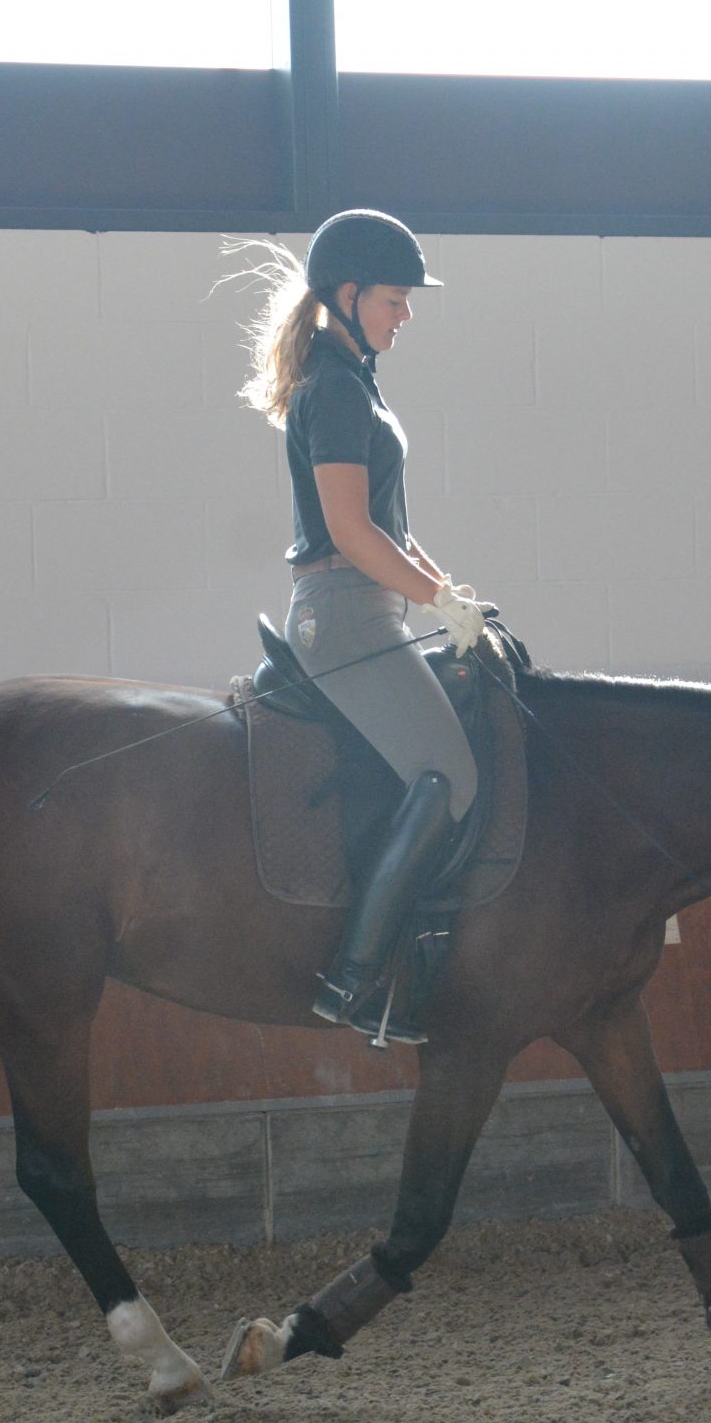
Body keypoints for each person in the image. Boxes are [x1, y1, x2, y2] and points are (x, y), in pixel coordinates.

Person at [238, 209, 494, 1046]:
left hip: (369, 606)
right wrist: (437, 603)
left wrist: (447, 592)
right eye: (394, 298)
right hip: (345, 614)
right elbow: (351, 533)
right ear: (347, 295)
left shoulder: (356, 380)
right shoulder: (338, 389)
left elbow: (388, 527)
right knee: (451, 775)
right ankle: (357, 980)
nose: (406, 314)